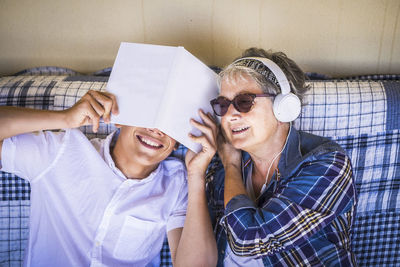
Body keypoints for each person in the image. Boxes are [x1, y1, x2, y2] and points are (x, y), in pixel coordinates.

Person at [0, 90, 218, 266]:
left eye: (170, 124)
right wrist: (65, 118)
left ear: (178, 141)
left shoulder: (177, 183)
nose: (156, 129)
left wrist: (197, 174)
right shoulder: (59, 151)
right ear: (120, 120)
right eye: (148, 115)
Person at [203, 48, 357, 266]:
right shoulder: (219, 177)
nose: (229, 115)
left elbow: (246, 239)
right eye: (223, 105)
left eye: (244, 102)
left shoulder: (327, 163)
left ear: (284, 107)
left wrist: (231, 166)